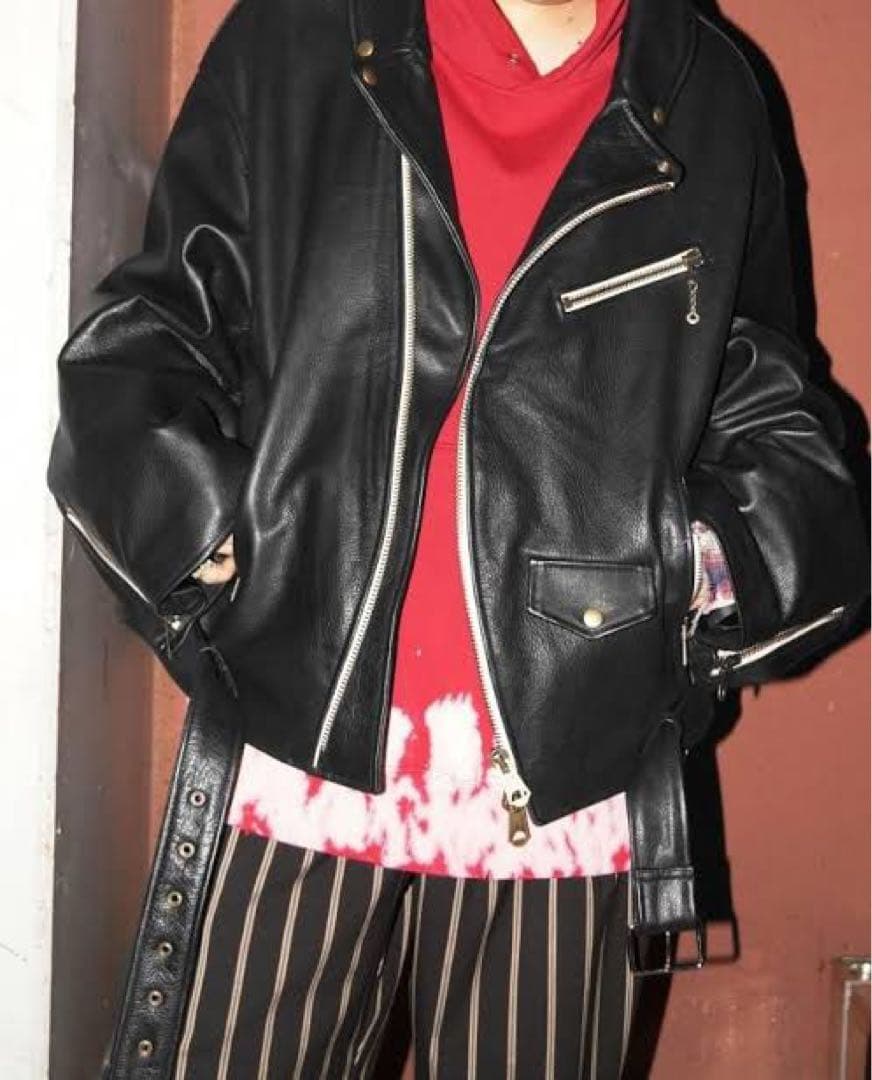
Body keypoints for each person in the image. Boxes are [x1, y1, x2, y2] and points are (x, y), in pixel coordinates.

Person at [46, 0, 868, 1076]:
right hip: (298, 733)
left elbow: (775, 421)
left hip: (571, 775)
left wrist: (687, 571)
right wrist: (213, 550)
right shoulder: (299, 37)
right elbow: (146, 344)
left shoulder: (702, 88)